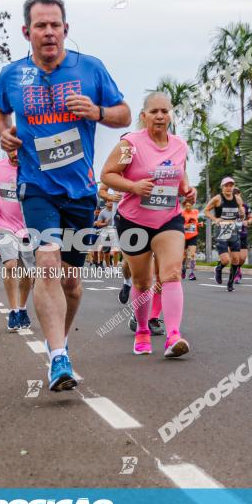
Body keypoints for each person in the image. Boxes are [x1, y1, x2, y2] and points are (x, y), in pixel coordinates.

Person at [0, 0, 130, 391]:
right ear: (27, 32)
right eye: (40, 26)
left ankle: (61, 341)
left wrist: (98, 112)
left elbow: (123, 113)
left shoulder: (90, 69)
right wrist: (4, 133)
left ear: (65, 29)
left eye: (55, 25)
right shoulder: (13, 75)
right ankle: (57, 357)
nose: (48, 32)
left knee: (70, 280)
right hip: (36, 187)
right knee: (47, 263)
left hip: (81, 192)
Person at [101, 91, 196, 357]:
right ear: (144, 116)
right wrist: (133, 186)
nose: (160, 116)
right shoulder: (130, 144)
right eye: (154, 111)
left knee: (172, 274)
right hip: (133, 220)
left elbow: (179, 172)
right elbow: (107, 175)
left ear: (170, 116)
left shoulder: (179, 145)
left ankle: (173, 336)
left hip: (168, 218)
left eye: (165, 111)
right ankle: (142, 329)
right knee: (142, 282)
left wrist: (187, 189)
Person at [0, 152, 35, 331]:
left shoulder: (34, 167)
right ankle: (13, 311)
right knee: (10, 265)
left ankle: (22, 308)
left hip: (29, 226)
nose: (14, 154)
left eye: (18, 150)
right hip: (3, 223)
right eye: (10, 150)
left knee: (28, 271)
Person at [204, 177, 245, 292]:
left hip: (233, 229)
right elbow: (206, 210)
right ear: (222, 187)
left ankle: (230, 283)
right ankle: (219, 268)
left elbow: (242, 215)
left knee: (236, 259)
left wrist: (242, 214)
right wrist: (215, 219)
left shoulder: (237, 199)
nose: (228, 188)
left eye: (230, 185)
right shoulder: (217, 198)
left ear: (233, 187)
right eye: (226, 185)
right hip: (221, 229)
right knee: (226, 260)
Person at [100, 182, 132, 302]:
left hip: (148, 219)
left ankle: (140, 312)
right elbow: (101, 190)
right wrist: (111, 197)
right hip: (123, 220)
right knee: (128, 261)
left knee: (146, 266)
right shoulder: (118, 166)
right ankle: (127, 282)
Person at [232, 187, 252, 283]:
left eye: (237, 193)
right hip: (232, 235)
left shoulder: (245, 206)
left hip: (243, 233)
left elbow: (251, 218)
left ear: (240, 194)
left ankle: (237, 268)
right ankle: (236, 273)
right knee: (236, 257)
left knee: (243, 258)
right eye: (234, 194)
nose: (236, 195)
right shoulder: (229, 207)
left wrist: (248, 222)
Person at [181, 199, 202, 281]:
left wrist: (199, 224)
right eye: (186, 206)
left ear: (192, 206)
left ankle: (191, 273)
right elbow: (178, 224)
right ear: (184, 206)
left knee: (192, 255)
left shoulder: (195, 212)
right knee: (184, 256)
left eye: (190, 205)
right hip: (183, 237)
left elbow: (195, 223)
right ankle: (183, 269)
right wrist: (184, 226)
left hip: (193, 235)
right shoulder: (181, 214)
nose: (188, 207)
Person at [96, 200, 115, 268]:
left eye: (111, 201)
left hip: (114, 232)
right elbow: (98, 224)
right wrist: (105, 223)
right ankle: (101, 263)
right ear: (106, 203)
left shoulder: (116, 211)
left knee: (114, 250)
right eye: (109, 201)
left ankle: (110, 263)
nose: (111, 202)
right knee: (104, 249)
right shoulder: (103, 212)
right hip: (105, 233)